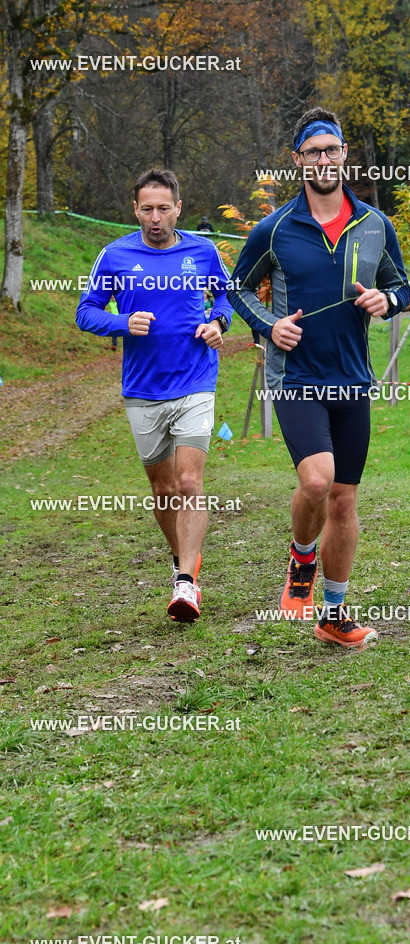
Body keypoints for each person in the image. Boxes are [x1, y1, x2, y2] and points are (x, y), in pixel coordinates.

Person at [228, 106, 410, 650]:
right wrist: (269, 326)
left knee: (345, 501)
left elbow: (401, 286)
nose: (324, 160)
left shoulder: (376, 224)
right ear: (297, 161)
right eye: (313, 153)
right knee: (316, 480)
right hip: (296, 376)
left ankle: (333, 614)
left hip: (352, 379)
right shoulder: (276, 227)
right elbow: (236, 288)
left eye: (331, 150)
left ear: (344, 154)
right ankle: (301, 558)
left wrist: (387, 300)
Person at [76, 169, 233, 622]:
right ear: (135, 210)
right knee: (163, 489)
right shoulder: (116, 255)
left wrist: (218, 323)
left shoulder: (201, 251)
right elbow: (85, 313)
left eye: (164, 208)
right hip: (142, 389)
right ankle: (184, 558)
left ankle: (186, 583)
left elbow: (226, 296)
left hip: (195, 380)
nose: (156, 217)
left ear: (178, 208)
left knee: (188, 483)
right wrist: (122, 323)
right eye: (147, 208)